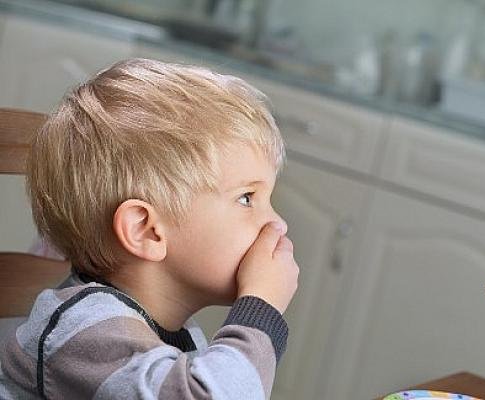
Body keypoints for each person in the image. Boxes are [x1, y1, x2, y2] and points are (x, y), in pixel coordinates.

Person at [0, 58, 299, 399]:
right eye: (247, 198)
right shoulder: (86, 329)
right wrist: (260, 307)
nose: (278, 223)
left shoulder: (172, 332)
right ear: (146, 230)